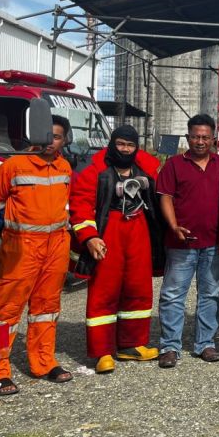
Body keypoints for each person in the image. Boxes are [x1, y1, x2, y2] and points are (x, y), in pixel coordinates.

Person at [0, 116, 73, 394]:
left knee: (47, 308)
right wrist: (15, 232)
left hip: (56, 246)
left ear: (64, 140)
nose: (50, 141)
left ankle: (44, 362)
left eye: (56, 136)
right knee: (6, 309)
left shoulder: (64, 167)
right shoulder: (14, 166)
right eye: (46, 134)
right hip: (22, 247)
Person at [70, 125, 163, 374]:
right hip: (108, 230)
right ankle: (102, 351)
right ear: (112, 143)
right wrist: (89, 237)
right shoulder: (95, 169)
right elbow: (80, 204)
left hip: (138, 230)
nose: (125, 149)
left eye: (130, 145)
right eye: (120, 144)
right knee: (104, 290)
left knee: (139, 288)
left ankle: (131, 345)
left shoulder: (146, 167)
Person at [156, 114, 219, 368]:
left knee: (211, 294)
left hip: (214, 243)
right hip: (181, 243)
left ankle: (205, 343)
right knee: (173, 295)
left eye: (205, 137)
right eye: (195, 137)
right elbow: (165, 197)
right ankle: (169, 346)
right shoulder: (174, 165)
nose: (200, 141)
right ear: (187, 138)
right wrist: (173, 226)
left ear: (213, 139)